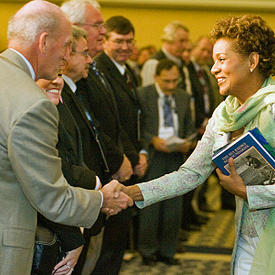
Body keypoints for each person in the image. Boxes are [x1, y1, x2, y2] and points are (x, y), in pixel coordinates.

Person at [123, 15, 275, 275]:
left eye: (222, 59)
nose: (213, 68)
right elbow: (190, 174)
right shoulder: (224, 114)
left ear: (252, 61)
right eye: (213, 59)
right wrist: (130, 193)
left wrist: (249, 193)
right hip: (246, 240)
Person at [0, 1, 132, 274]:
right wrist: (101, 200)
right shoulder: (33, 103)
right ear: (44, 41)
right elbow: (51, 197)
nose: (68, 55)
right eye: (67, 45)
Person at [60, 1, 137, 273]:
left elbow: (110, 123)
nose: (103, 31)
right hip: (83, 188)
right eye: (98, 25)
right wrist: (103, 174)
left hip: (98, 183)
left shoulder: (91, 71)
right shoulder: (58, 88)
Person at [94, 15, 148, 274]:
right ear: (105, 41)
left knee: (118, 241)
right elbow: (106, 125)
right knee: (108, 246)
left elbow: (135, 117)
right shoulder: (99, 70)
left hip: (130, 159)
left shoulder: (129, 71)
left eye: (129, 41)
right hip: (114, 166)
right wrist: (128, 158)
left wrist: (141, 152)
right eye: (118, 41)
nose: (125, 47)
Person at [137, 59, 194, 265]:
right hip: (153, 154)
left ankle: (167, 251)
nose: (171, 86)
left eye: (175, 81)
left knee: (173, 206)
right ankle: (147, 250)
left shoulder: (183, 97)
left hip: (176, 156)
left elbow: (189, 127)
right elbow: (137, 126)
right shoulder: (143, 95)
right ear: (156, 78)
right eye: (166, 81)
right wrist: (152, 139)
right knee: (151, 204)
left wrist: (188, 143)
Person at [141, 21, 189, 88]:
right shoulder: (153, 63)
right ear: (168, 40)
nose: (186, 46)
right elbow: (149, 95)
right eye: (181, 41)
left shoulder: (182, 64)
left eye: (186, 41)